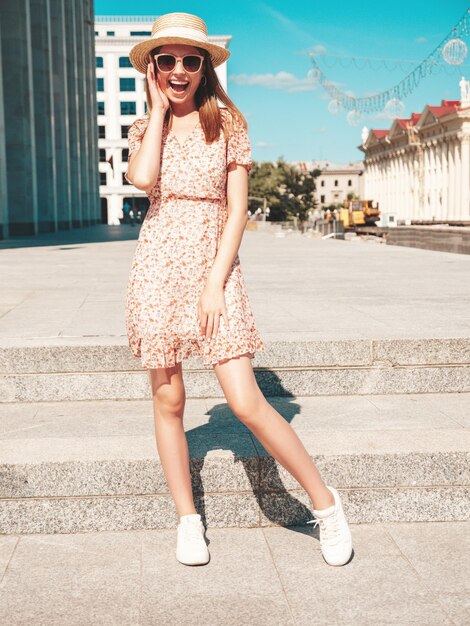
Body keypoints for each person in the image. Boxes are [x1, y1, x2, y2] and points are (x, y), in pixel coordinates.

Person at [125, 12, 352, 567]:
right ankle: (187, 520)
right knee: (169, 398)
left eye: (190, 60)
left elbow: (236, 211)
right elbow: (141, 180)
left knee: (246, 401)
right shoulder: (145, 125)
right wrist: (156, 112)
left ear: (205, 68)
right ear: (154, 68)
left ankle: (326, 507)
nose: (179, 70)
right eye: (167, 60)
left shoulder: (228, 123)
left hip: (213, 263)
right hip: (157, 263)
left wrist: (214, 284)